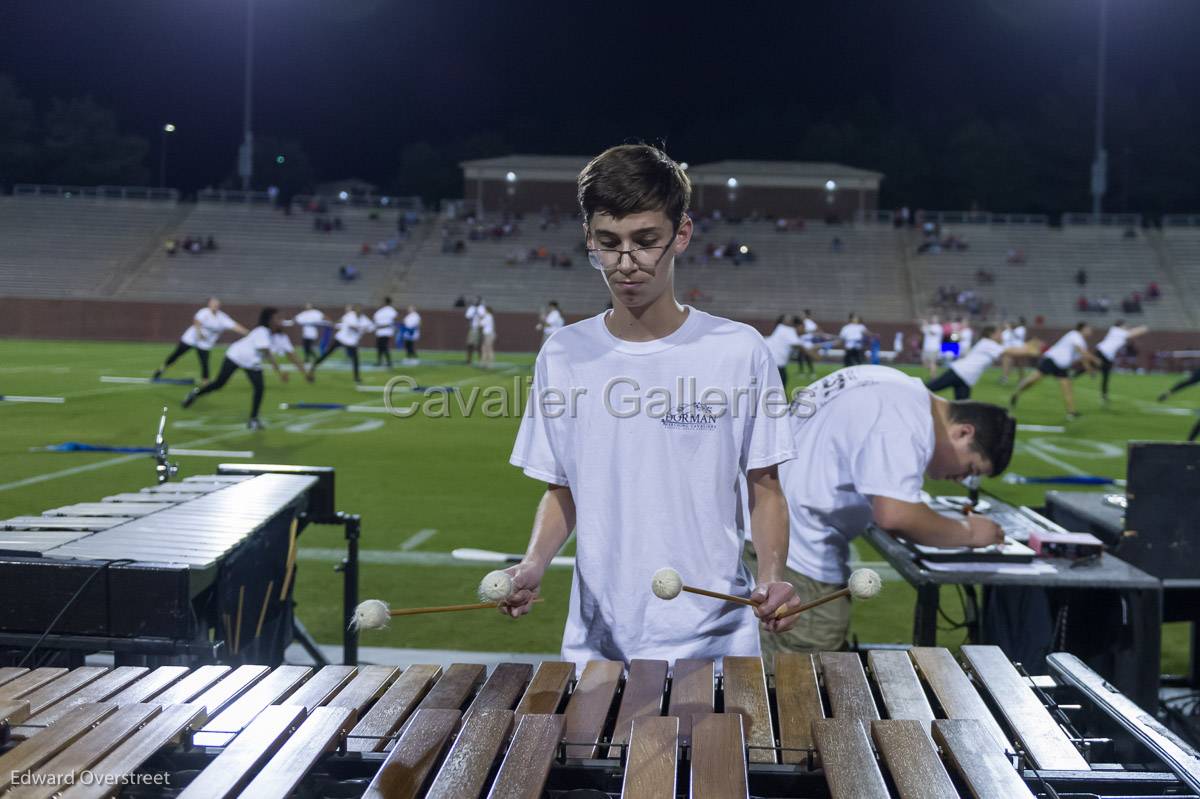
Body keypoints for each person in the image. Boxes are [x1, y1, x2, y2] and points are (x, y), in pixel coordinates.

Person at [502, 143, 802, 667]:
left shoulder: (738, 350)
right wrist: (532, 563)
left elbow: (765, 487)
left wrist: (773, 576)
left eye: (645, 242)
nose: (626, 263)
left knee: (715, 753)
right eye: (608, 243)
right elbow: (563, 487)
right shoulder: (563, 353)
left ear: (680, 234)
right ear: (589, 240)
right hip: (597, 644)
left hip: (716, 641)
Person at [767, 365, 1015, 656]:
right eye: (971, 467)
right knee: (803, 678)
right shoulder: (909, 415)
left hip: (772, 528)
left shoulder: (895, 384)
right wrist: (971, 533)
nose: (962, 479)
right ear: (963, 432)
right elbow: (894, 514)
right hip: (798, 554)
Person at [182, 307, 310, 429]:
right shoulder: (261, 331)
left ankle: (253, 419)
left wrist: (305, 373)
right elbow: (266, 352)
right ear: (269, 321)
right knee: (219, 384)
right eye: (277, 318)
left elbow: (292, 355)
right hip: (235, 356)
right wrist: (279, 372)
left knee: (259, 389)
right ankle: (195, 394)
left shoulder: (282, 337)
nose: (281, 321)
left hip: (252, 363)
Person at [1010, 322, 1096, 419]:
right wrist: (1096, 360)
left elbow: (1083, 357)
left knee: (1067, 388)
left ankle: (1071, 412)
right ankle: (1017, 393)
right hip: (1052, 360)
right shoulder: (1075, 335)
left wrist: (1090, 370)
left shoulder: (1082, 341)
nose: (1090, 331)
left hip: (1062, 366)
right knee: (1032, 381)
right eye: (1088, 329)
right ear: (1082, 329)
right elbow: (1083, 353)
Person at [926, 326, 1036, 400]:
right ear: (991, 334)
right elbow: (1010, 352)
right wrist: (1028, 348)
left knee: (962, 408)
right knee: (929, 388)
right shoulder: (987, 343)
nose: (1002, 335)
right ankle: (910, 394)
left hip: (966, 379)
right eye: (999, 333)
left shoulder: (991, 345)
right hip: (959, 373)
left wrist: (1026, 348)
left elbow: (1010, 350)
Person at [153, 297, 247, 383]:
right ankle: (161, 369)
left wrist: (248, 333)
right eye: (213, 303)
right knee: (176, 355)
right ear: (209, 304)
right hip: (191, 338)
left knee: (204, 362)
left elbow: (235, 326)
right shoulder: (204, 312)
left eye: (217, 304)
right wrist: (199, 333)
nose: (215, 305)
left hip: (204, 343)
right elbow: (197, 321)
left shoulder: (222, 317)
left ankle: (205, 382)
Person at [309, 304, 370, 383]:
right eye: (357, 309)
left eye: (360, 309)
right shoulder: (350, 315)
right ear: (355, 310)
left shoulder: (364, 319)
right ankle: (313, 368)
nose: (359, 311)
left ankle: (357, 378)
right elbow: (350, 325)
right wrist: (361, 328)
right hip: (341, 338)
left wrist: (365, 328)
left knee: (355, 359)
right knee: (327, 354)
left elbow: (370, 326)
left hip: (351, 342)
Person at [1094, 320, 1148, 402]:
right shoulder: (1116, 330)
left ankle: (1104, 396)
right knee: (1089, 368)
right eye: (1125, 325)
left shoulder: (1117, 332)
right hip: (1102, 352)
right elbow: (1132, 333)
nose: (1126, 327)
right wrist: (1143, 328)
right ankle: (1071, 376)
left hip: (1107, 356)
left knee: (1105, 376)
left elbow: (1129, 334)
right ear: (1120, 326)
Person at [764, 315, 803, 390]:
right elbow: (797, 344)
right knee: (778, 392)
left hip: (772, 364)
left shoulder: (781, 328)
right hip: (776, 366)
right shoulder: (787, 330)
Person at [1000, 317, 1029, 384]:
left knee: (1020, 364)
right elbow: (1003, 340)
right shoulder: (1005, 332)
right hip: (1010, 348)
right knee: (1006, 360)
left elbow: (1018, 336)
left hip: (1019, 348)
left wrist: (1011, 330)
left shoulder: (1021, 329)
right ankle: (1005, 377)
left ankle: (1021, 378)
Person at [372, 297, 399, 368]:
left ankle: (388, 362)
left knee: (384, 346)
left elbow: (394, 319)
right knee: (379, 347)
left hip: (386, 331)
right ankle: (380, 361)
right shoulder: (382, 310)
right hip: (380, 331)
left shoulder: (390, 310)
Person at [796, 310, 819, 376]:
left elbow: (815, 329)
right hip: (802, 342)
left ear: (806, 315)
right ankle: (801, 371)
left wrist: (805, 331)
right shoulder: (802, 322)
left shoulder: (810, 322)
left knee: (808, 357)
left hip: (807, 342)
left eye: (803, 314)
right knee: (800, 357)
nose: (801, 315)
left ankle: (812, 372)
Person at [464, 296, 485, 364]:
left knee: (479, 345)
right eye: (475, 300)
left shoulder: (482, 308)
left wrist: (478, 313)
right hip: (473, 328)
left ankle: (481, 359)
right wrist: (473, 314)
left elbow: (483, 317)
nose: (475, 301)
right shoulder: (471, 308)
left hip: (479, 328)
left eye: (477, 300)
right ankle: (469, 360)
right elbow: (467, 317)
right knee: (469, 344)